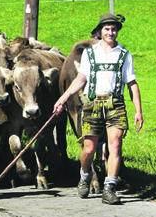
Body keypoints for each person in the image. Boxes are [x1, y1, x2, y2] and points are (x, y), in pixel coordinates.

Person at [53, 13, 143, 205]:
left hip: (115, 104)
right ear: (100, 32)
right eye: (107, 29)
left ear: (117, 31)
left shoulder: (124, 55)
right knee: (89, 148)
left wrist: (138, 111)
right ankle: (85, 175)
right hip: (93, 104)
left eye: (114, 29)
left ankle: (109, 188)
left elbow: (132, 83)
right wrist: (63, 97)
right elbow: (81, 79)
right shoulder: (90, 53)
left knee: (115, 145)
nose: (111, 32)